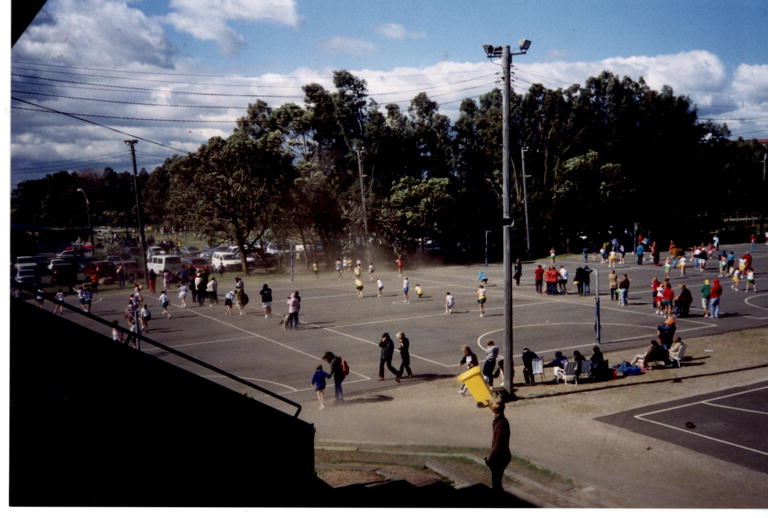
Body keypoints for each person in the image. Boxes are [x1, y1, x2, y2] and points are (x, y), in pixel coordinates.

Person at [485, 398, 511, 492]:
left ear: (494, 411)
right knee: (496, 480)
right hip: (502, 456)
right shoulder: (501, 420)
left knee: (496, 482)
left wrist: (491, 457)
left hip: (500, 457)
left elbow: (498, 443)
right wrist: (489, 404)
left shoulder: (500, 424)